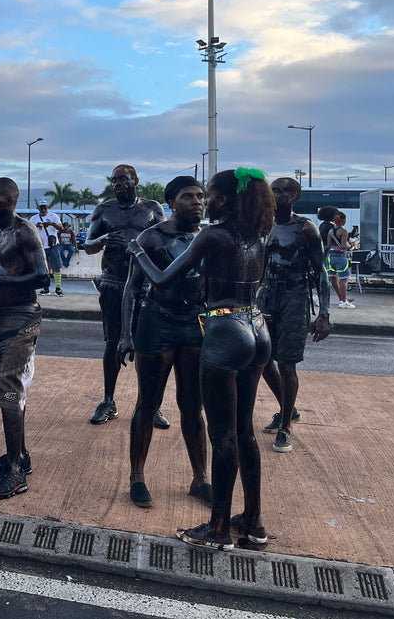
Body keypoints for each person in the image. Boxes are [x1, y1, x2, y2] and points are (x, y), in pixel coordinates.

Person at [127, 167, 275, 550]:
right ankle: (253, 523)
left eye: (207, 194)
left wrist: (138, 252)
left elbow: (161, 280)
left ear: (223, 199)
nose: (204, 200)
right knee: (245, 432)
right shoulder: (258, 234)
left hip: (225, 330)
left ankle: (219, 529)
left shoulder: (212, 234)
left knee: (222, 434)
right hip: (257, 328)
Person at [118, 176, 210, 509]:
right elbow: (132, 287)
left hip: (194, 325)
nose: (197, 202)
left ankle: (200, 478)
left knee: (192, 406)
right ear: (171, 202)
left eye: (200, 196)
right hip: (156, 323)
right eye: (189, 197)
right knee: (148, 403)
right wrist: (126, 334)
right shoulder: (151, 238)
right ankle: (137, 475)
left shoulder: (205, 237)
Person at [0, 177, 50, 499]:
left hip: (21, 318)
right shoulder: (1, 233)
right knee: (5, 390)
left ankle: (16, 472)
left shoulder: (24, 232)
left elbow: (43, 276)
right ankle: (18, 453)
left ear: (8, 200)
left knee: (9, 391)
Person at [83, 165, 166, 426]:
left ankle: (150, 405)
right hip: (113, 284)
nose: (118, 183)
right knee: (112, 343)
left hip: (144, 287)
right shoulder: (104, 210)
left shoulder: (152, 208)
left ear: (135, 181)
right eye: (115, 179)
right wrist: (105, 238)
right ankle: (108, 401)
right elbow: (87, 246)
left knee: (148, 346)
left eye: (123, 179)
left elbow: (165, 243)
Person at [258, 178, 331, 453]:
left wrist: (323, 313)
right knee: (263, 360)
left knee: (287, 363)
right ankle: (289, 410)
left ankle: (286, 426)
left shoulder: (306, 228)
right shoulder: (263, 225)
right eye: (273, 190)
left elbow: (321, 272)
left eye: (283, 191)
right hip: (267, 296)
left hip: (295, 296)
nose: (277, 195)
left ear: (295, 196)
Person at [32, 199, 65, 296]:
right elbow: (29, 229)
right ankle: (45, 288)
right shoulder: (34, 218)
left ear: (47, 207)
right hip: (40, 246)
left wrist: (52, 223)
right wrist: (36, 225)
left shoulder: (53, 216)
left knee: (56, 267)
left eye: (45, 207)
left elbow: (61, 228)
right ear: (38, 208)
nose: (43, 209)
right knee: (44, 268)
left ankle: (58, 288)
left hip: (53, 245)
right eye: (42, 207)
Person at [326, 211, 355, 309]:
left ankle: (342, 300)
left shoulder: (330, 231)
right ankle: (343, 301)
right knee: (343, 279)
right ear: (343, 221)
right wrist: (350, 245)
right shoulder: (343, 231)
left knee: (333, 278)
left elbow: (328, 246)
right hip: (340, 257)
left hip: (330, 257)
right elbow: (343, 246)